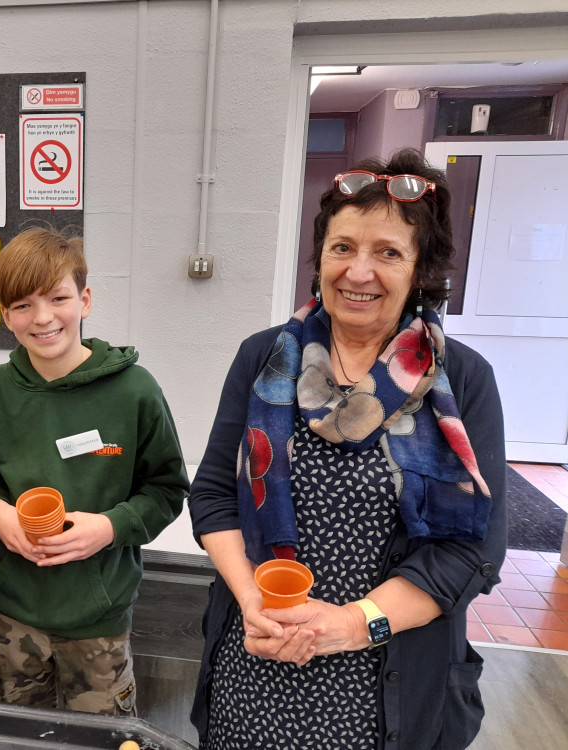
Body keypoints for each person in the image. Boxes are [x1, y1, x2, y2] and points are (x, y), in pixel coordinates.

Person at [188, 148, 507, 750]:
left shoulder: (460, 380)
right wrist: (254, 602)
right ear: (320, 258)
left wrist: (350, 624)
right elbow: (212, 496)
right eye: (343, 247)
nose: (359, 272)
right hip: (256, 663)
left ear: (421, 270)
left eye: (387, 252)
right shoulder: (265, 359)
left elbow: (475, 548)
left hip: (385, 684)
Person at [0, 225, 189, 716]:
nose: (42, 318)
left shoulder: (135, 392)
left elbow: (167, 489)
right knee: (14, 732)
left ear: (84, 300)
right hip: (10, 611)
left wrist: (110, 527)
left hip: (98, 616)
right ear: (6, 316)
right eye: (23, 305)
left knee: (103, 736)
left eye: (57, 298)